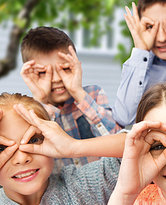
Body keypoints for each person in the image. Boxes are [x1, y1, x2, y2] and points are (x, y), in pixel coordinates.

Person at [20, 26, 120, 167]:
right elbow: (31, 158)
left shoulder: (93, 94)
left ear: (77, 67)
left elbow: (118, 140)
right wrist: (40, 100)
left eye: (65, 69)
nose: (55, 79)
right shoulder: (26, 112)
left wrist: (78, 93)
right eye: (43, 73)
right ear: (30, 75)